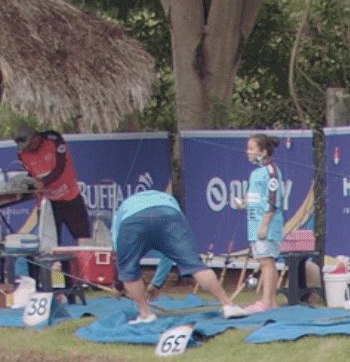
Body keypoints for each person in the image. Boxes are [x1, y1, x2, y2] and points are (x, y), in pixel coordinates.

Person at [110, 187, 248, 323]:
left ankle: (146, 314)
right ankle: (228, 305)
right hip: (169, 213)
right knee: (195, 264)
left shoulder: (121, 212)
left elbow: (121, 258)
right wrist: (156, 284)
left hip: (133, 218)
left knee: (128, 269)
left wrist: (119, 285)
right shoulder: (168, 201)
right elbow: (168, 257)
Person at [13, 125, 93, 246]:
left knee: (84, 239)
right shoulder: (22, 154)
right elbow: (29, 175)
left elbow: (60, 166)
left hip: (70, 198)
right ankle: (57, 265)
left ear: (35, 138)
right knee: (49, 244)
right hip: (49, 203)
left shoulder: (53, 140)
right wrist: (31, 185)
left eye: (29, 145)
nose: (28, 149)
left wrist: (44, 181)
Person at [243, 134, 287, 313]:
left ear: (263, 151)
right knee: (265, 262)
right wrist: (244, 203)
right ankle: (271, 302)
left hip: (266, 225)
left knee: (267, 262)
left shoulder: (271, 171)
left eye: (252, 149)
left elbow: (272, 201)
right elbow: (257, 197)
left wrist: (264, 226)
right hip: (254, 222)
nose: (248, 152)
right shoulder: (257, 172)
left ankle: (267, 301)